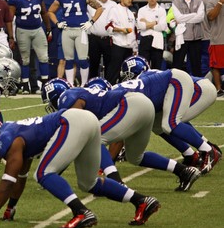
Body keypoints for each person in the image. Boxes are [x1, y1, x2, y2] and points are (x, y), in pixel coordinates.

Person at [0, 110, 160, 228]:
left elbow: (8, 181)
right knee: (89, 182)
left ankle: (81, 212)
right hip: (87, 120)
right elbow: (20, 175)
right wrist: (10, 207)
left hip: (71, 122)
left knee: (43, 174)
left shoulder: (6, 140)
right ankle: (142, 201)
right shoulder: (13, 133)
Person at [52, 79, 202, 191]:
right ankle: (184, 171)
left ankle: (115, 181)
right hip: (142, 106)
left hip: (131, 103)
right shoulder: (86, 96)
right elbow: (117, 139)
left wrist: (55, 169)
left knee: (93, 138)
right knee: (136, 157)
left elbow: (76, 132)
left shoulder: (68, 97)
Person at [117, 56, 221, 175]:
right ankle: (192, 154)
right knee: (158, 124)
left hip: (199, 89)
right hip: (199, 87)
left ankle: (208, 151)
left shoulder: (143, 81)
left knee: (170, 123)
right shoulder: (151, 76)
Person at [47, 0, 103, 87]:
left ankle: (84, 84)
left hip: (80, 30)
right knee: (68, 59)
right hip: (67, 30)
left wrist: (91, 22)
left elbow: (99, 8)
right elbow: (50, 11)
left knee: (82, 59)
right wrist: (57, 23)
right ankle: (70, 84)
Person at [7, 0, 51, 94]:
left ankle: (45, 85)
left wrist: (49, 28)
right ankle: (25, 86)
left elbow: (44, 12)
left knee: (44, 57)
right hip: (23, 30)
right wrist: (11, 36)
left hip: (37, 29)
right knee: (25, 59)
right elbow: (9, 19)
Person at [104, 0, 137, 85]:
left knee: (127, 73)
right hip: (118, 45)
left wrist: (134, 47)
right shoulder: (114, 10)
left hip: (129, 47)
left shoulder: (131, 13)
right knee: (113, 71)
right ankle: (108, 90)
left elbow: (134, 32)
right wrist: (121, 30)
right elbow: (108, 27)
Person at [171, 0, 204, 77]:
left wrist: (184, 18)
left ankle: (199, 87)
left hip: (196, 38)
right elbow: (178, 18)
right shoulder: (175, 2)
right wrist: (194, 14)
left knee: (196, 66)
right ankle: (175, 86)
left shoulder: (199, 1)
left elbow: (200, 18)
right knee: (177, 66)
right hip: (182, 38)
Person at [87, 0, 117, 78]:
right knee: (93, 63)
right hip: (94, 38)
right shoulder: (91, 4)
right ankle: (92, 84)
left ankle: (108, 84)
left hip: (108, 39)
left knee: (109, 63)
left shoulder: (113, 5)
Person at [137, 0, 167, 70]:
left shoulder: (162, 10)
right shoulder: (141, 10)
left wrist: (147, 23)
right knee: (143, 67)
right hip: (145, 40)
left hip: (157, 41)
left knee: (157, 68)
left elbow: (163, 27)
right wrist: (155, 22)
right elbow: (140, 26)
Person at [206, 0, 224, 96]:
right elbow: (211, 17)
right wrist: (220, 3)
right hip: (218, 38)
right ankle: (219, 89)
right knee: (215, 65)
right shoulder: (212, 2)